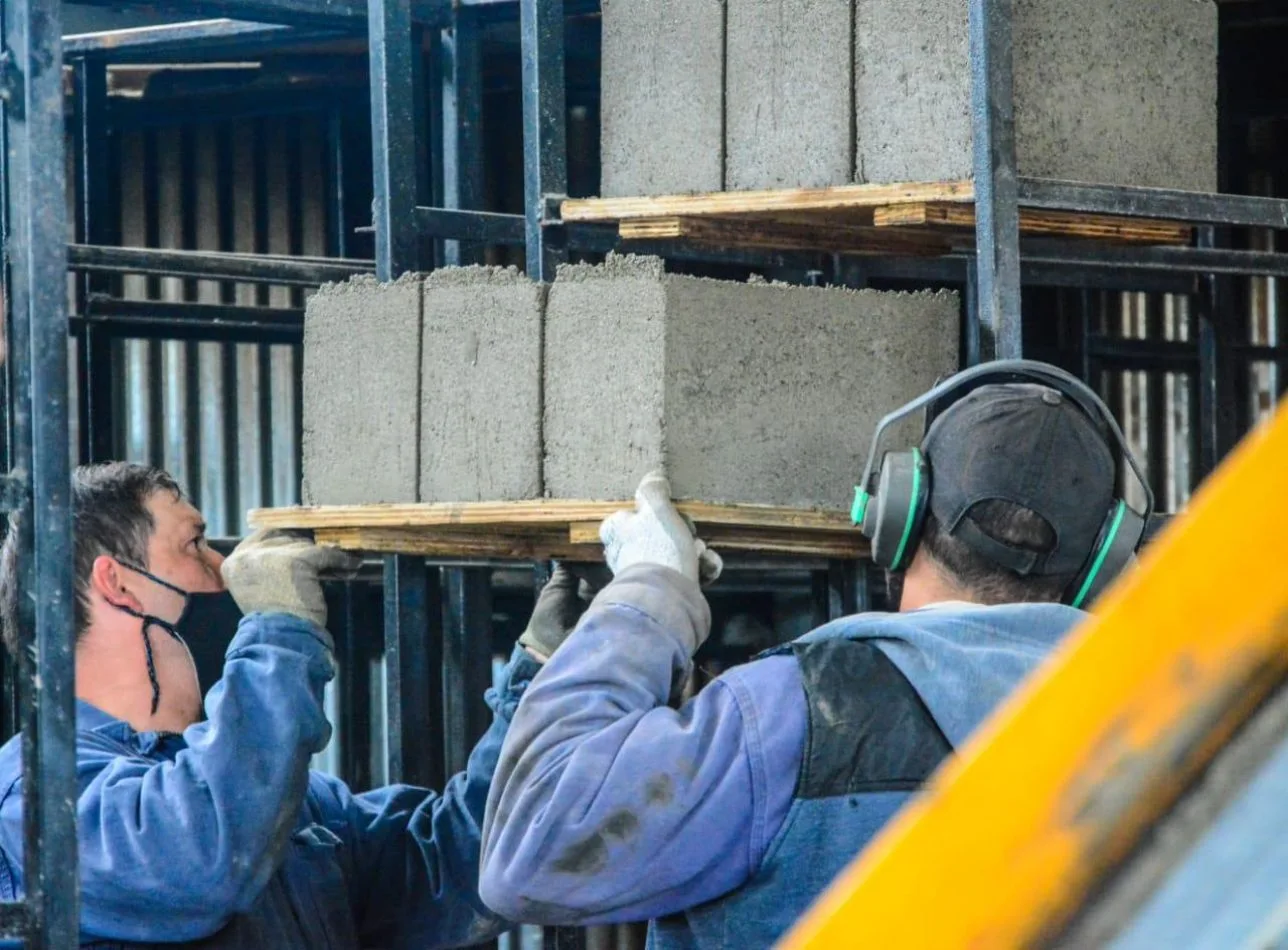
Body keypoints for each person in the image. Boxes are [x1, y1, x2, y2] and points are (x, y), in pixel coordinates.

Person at [477, 361, 1152, 948]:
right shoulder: (1171, 713)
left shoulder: (793, 716)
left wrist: (646, 599)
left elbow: (529, 854)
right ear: (1104, 561)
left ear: (898, 511)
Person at [0, 461, 565, 948]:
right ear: (118, 585)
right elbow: (203, 857)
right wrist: (279, 626)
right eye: (194, 545)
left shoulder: (294, 805)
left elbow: (456, 864)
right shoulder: (37, 796)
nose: (226, 573)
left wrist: (543, 678)